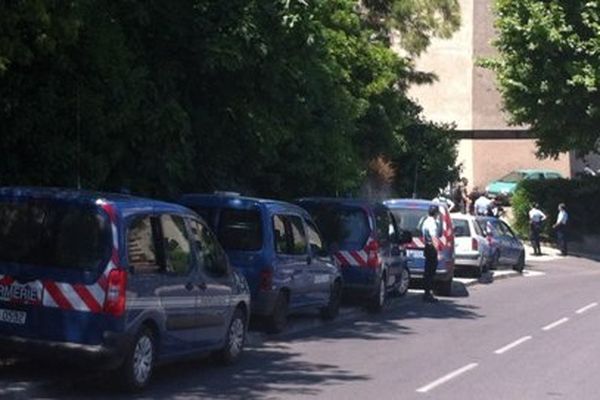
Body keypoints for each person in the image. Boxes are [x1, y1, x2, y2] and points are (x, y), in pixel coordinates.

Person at [422, 205, 441, 303]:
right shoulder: (432, 223)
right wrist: (437, 252)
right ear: (436, 213)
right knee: (431, 272)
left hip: (427, 247)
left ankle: (426, 292)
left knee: (427, 271)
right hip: (431, 248)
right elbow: (434, 238)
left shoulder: (425, 221)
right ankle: (428, 294)